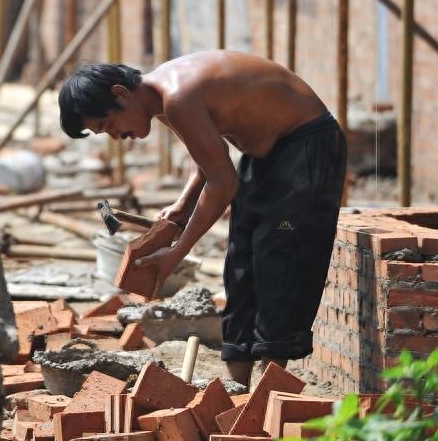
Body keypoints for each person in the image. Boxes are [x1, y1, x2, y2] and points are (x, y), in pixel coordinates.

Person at [57, 51, 347, 389]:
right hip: (264, 157)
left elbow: (223, 182)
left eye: (108, 125)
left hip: (307, 148)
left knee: (278, 258)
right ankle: (236, 390)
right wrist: (181, 207)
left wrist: (177, 252)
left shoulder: (177, 97)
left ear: (120, 94)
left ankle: (269, 398)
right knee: (240, 266)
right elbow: (208, 157)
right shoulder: (160, 101)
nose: (115, 137)